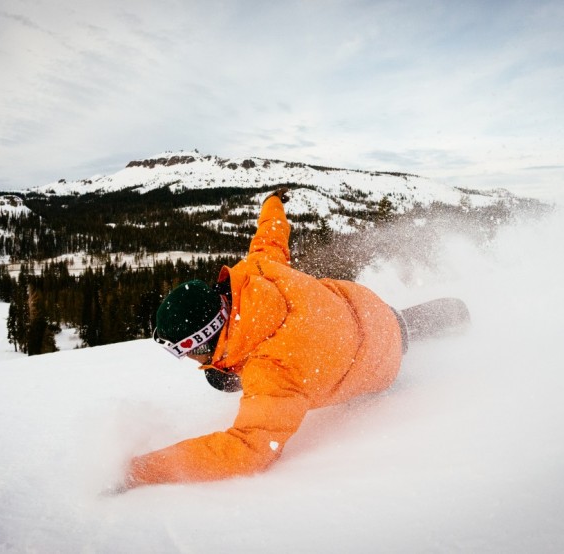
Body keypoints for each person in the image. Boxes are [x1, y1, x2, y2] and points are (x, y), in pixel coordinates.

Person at [110, 188, 469, 492]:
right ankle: (450, 313)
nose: (191, 362)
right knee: (398, 322)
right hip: (368, 306)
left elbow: (247, 450)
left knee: (399, 339)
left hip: (380, 362)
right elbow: (270, 236)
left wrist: (140, 471)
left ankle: (421, 332)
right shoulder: (258, 271)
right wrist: (272, 203)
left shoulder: (273, 372)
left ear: (204, 339)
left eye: (184, 352)